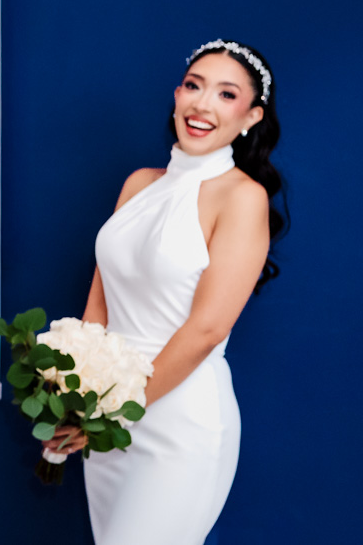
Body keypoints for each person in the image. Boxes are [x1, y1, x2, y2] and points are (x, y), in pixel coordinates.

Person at [43, 39, 284, 544]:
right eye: (194, 86)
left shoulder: (243, 197)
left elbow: (208, 328)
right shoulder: (138, 184)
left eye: (225, 94)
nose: (201, 104)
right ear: (176, 95)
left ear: (251, 116)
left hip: (180, 422)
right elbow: (99, 304)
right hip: (107, 420)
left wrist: (111, 411)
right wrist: (71, 398)